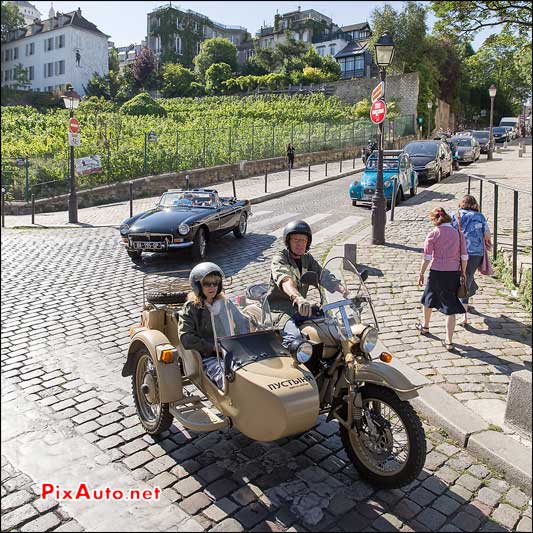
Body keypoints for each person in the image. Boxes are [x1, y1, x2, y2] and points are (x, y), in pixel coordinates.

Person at [267, 220, 346, 348]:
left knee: (331, 326)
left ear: (307, 243)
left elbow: (323, 275)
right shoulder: (280, 259)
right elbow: (285, 280)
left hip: (301, 308)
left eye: (303, 240)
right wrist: (297, 297)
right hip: (280, 310)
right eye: (296, 240)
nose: (300, 244)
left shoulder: (307, 259)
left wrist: (344, 290)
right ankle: (292, 361)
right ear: (288, 242)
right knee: (295, 339)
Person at [416, 207, 468, 351]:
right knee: (450, 306)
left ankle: (425, 326)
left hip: (436, 272)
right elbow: (464, 256)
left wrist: (421, 273)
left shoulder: (433, 234)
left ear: (434, 220)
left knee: (428, 299)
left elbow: (426, 258)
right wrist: (463, 273)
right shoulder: (458, 234)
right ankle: (449, 341)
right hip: (453, 273)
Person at [178, 262, 227, 389]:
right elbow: (186, 338)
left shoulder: (223, 303)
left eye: (215, 283)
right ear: (198, 286)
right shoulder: (191, 308)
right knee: (226, 376)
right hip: (207, 357)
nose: (212, 287)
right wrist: (212, 347)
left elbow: (237, 323)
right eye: (206, 284)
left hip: (229, 352)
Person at [451, 195, 492, 326]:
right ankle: (470, 290)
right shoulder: (480, 216)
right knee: (467, 276)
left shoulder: (455, 215)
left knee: (464, 278)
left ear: (461, 203)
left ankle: (464, 314)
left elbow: (450, 232)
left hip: (459, 251)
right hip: (476, 252)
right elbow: (487, 235)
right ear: (475, 204)